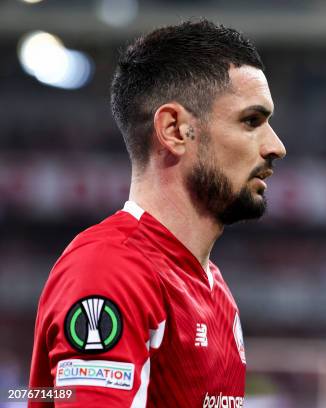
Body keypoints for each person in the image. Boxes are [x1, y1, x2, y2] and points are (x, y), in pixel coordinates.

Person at [29, 19, 286, 407]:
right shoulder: (111, 269)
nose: (276, 146)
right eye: (251, 121)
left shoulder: (216, 294)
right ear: (175, 129)